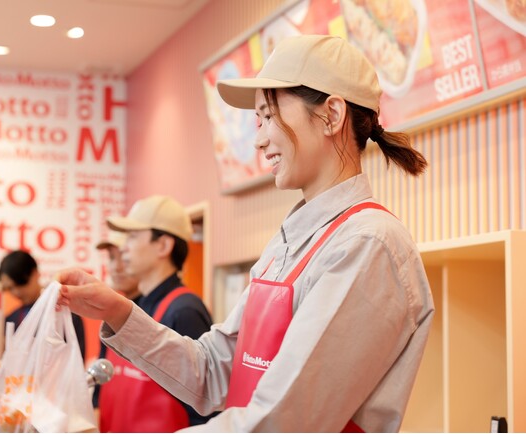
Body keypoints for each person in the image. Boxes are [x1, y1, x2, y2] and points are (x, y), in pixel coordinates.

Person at [56, 34, 434, 432]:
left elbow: (281, 421)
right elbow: (211, 371)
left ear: (332, 115)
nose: (259, 139)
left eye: (269, 116)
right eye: (258, 120)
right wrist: (118, 312)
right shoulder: (287, 244)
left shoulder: (367, 244)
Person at [93, 195, 215, 432]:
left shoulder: (184, 311)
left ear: (163, 246)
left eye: (133, 236)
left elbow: (204, 411)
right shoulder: (136, 308)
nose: (124, 248)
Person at [0, 250, 86, 358]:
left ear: (35, 273)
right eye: (9, 288)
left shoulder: (66, 314)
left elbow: (76, 358)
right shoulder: (10, 320)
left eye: (19, 285)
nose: (16, 292)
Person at [91, 230, 141, 421]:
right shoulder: (115, 312)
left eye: (124, 256)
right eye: (112, 258)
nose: (117, 266)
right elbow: (102, 365)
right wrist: (96, 407)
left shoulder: (176, 309)